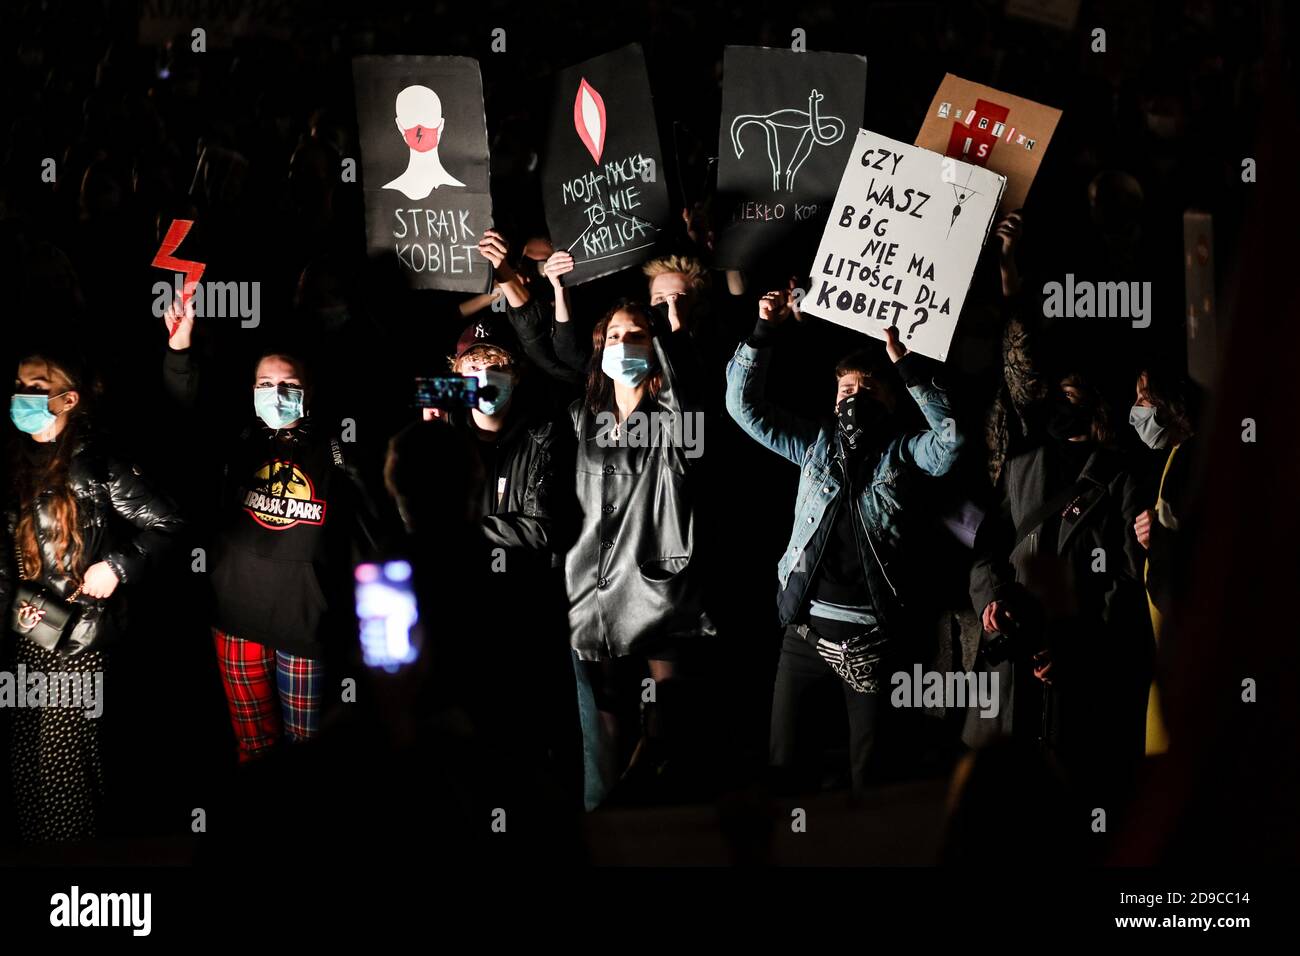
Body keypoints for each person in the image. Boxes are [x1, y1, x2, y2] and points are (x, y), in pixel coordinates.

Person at [725, 290, 964, 796]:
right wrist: (763, 331)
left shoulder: (902, 453)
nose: (852, 398)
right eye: (844, 390)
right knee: (783, 771)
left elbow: (951, 441)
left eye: (867, 388)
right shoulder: (815, 447)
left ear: (889, 399)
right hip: (805, 638)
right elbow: (742, 406)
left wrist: (907, 366)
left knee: (871, 780)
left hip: (874, 645)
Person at [161, 298, 382, 762]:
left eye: (288, 384)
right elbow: (182, 419)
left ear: (308, 390)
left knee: (309, 755)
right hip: (235, 621)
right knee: (254, 752)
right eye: (266, 383)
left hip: (306, 628)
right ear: (251, 389)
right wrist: (180, 348)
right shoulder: (235, 441)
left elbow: (373, 522)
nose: (276, 392)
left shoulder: (336, 447)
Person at [1, 350, 182, 844]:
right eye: (18, 383)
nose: (22, 395)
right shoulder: (15, 463)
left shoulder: (98, 466)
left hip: (78, 642)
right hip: (25, 632)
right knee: (25, 767)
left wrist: (118, 566)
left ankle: (74, 875)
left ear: (68, 399)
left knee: (64, 770)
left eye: (36, 388)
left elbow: (169, 524)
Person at [969, 373, 1153, 807]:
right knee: (1009, 791)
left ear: (1095, 407)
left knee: (1073, 790)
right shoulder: (1022, 463)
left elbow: (1126, 578)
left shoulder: (1118, 474)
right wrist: (990, 597)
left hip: (1078, 658)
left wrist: (1081, 646)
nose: (1058, 404)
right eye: (1055, 396)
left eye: (1069, 396)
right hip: (1016, 651)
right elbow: (988, 546)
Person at [566, 297, 712, 801]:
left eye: (636, 336)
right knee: (605, 725)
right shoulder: (579, 420)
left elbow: (682, 402)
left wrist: (670, 340)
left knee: (665, 725)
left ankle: (658, 825)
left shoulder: (674, 426)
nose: (623, 345)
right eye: (614, 337)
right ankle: (606, 825)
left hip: (656, 597)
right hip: (592, 596)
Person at [1130, 367, 1199, 756]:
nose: (1136, 409)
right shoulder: (1176, 454)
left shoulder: (1191, 457)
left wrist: (1159, 543)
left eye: (1144, 398)